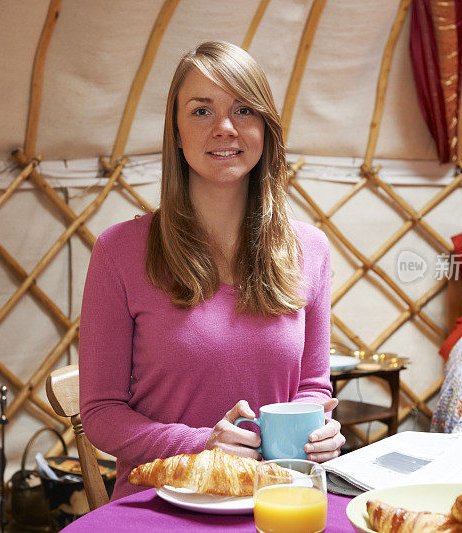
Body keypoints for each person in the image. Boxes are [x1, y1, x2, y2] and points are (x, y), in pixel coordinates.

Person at [79, 41, 344, 501]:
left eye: (244, 109)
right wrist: (203, 445)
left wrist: (314, 432)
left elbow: (312, 386)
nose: (225, 127)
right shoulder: (120, 251)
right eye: (201, 111)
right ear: (176, 134)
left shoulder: (310, 250)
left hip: (277, 499)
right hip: (161, 503)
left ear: (266, 129)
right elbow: (101, 412)